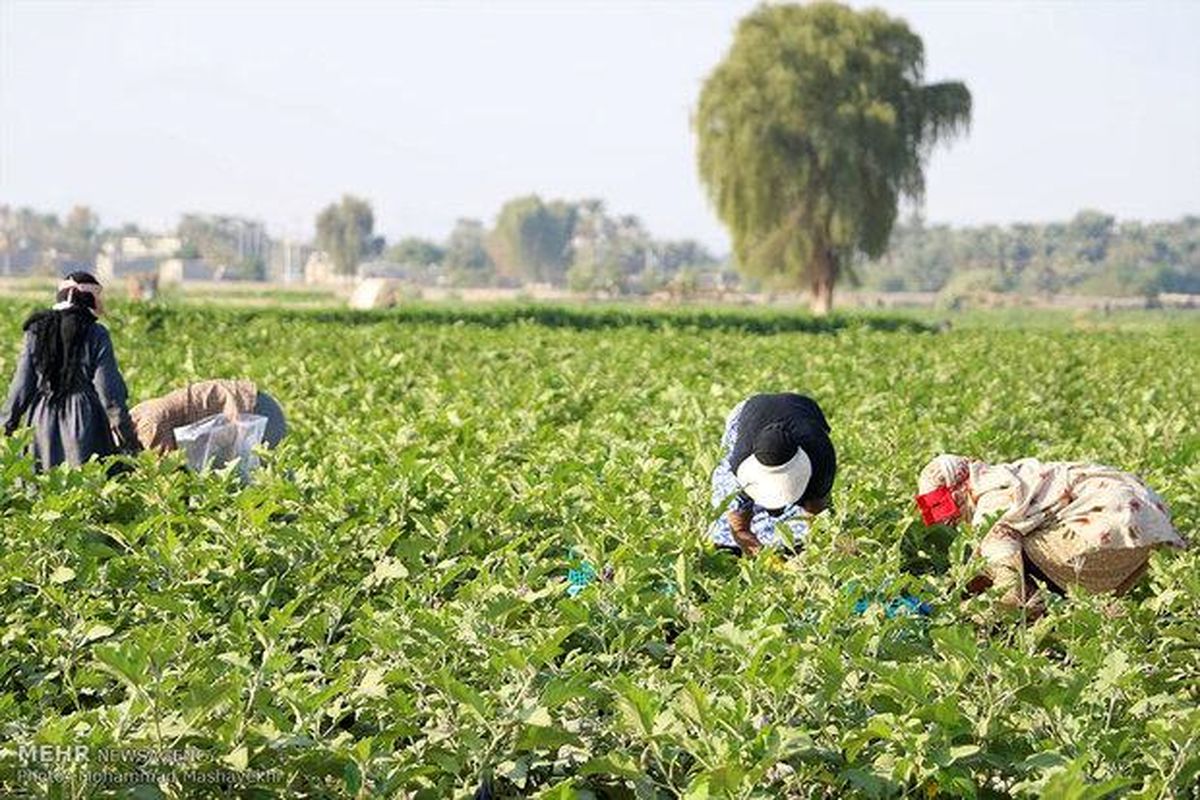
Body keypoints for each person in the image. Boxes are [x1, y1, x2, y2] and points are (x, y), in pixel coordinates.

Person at [917, 454, 1187, 615]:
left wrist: (978, 615)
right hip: (1146, 525)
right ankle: (1097, 615)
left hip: (1103, 527)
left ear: (958, 489)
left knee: (1009, 563)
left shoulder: (991, 500)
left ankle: (1045, 611)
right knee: (1003, 556)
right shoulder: (1011, 475)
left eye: (946, 507)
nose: (952, 518)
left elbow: (1006, 574)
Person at [2, 272, 139, 469]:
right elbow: (108, 391)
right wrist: (127, 438)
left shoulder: (36, 330)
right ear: (90, 299)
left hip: (41, 421)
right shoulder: (95, 332)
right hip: (85, 420)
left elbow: (21, 387)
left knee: (42, 488)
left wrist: (7, 426)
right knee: (88, 486)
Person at [707, 393, 837, 555]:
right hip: (750, 413)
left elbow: (817, 518)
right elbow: (739, 527)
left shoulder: (820, 458)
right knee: (724, 530)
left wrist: (818, 550)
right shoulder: (739, 460)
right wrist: (765, 558)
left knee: (809, 528)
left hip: (802, 410)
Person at [129, 378, 287, 453]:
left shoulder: (148, 428)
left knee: (250, 479)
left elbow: (168, 474)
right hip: (258, 405)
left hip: (255, 413)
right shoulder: (137, 414)